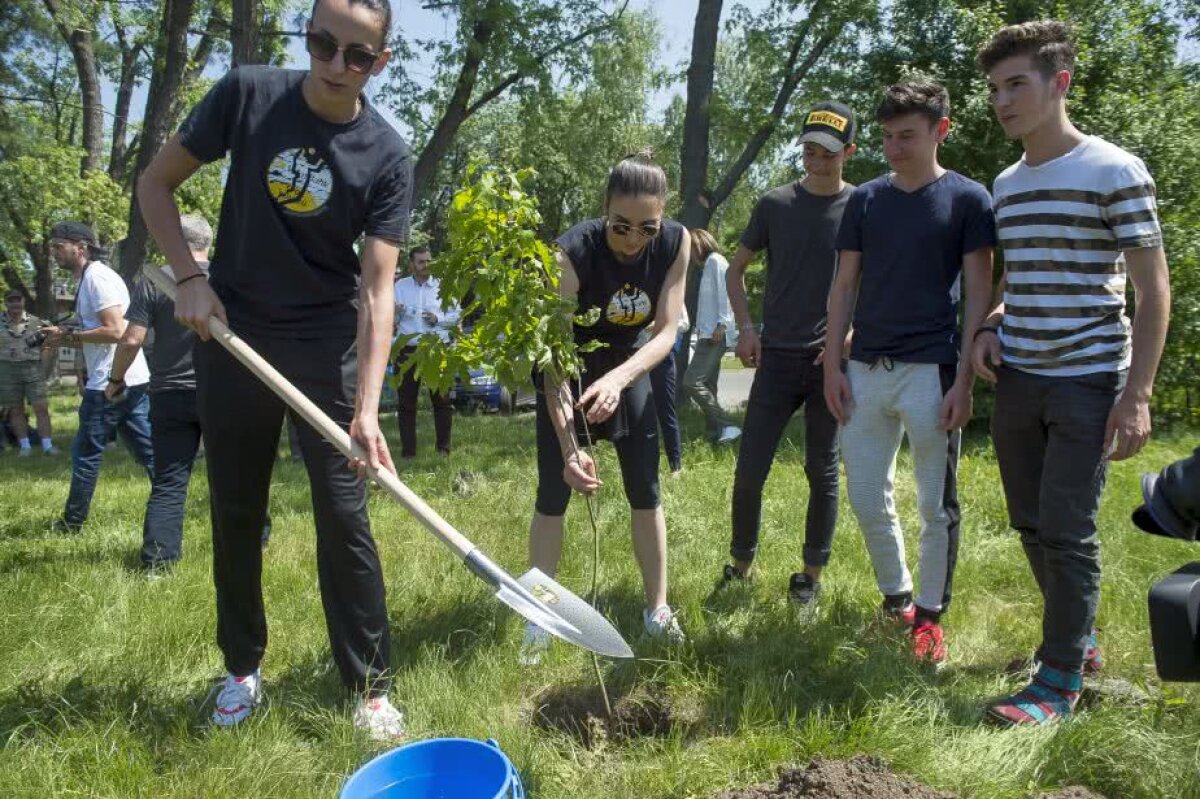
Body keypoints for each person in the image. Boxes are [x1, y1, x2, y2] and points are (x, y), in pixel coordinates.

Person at [136, 0, 410, 739]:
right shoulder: (249, 95)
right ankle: (241, 669)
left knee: (345, 516)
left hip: (326, 349)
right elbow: (155, 185)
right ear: (307, 37)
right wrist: (190, 277)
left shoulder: (386, 153)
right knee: (236, 509)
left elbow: (379, 290)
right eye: (323, 42)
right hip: (233, 336)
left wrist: (368, 407)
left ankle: (371, 687)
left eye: (356, 54)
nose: (334, 63)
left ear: (378, 64)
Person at [973, 21, 1170, 725]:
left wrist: (1137, 395)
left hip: (1090, 379)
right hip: (1020, 376)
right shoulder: (1006, 182)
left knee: (1066, 525)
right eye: (994, 88)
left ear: (1060, 83)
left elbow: (1154, 291)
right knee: (1030, 522)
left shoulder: (1115, 170)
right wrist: (992, 326)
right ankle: (1076, 641)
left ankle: (1057, 682)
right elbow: (1020, 279)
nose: (1001, 100)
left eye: (1015, 84)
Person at [824, 82, 994, 664]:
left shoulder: (968, 199)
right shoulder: (866, 200)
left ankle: (929, 615)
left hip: (933, 371)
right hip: (866, 368)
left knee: (935, 505)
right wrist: (833, 367)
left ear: (940, 131)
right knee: (868, 496)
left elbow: (978, 293)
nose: (895, 149)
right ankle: (896, 598)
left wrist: (965, 380)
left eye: (908, 137)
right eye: (888, 137)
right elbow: (844, 285)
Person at [521, 152, 689, 663]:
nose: (634, 239)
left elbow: (666, 331)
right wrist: (571, 448)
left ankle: (657, 609)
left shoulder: (676, 243)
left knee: (646, 489)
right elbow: (553, 358)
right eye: (621, 226)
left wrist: (620, 378)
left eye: (647, 227)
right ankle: (538, 612)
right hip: (568, 363)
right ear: (604, 211)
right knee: (554, 492)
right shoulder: (571, 252)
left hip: (629, 363)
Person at [721, 102, 858, 605]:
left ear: (849, 152)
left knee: (822, 471)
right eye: (808, 150)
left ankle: (810, 576)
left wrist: (852, 331)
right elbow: (735, 271)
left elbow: (878, 276)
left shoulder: (862, 206)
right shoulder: (775, 204)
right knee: (750, 466)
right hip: (775, 356)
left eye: (826, 152)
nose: (815, 161)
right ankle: (740, 564)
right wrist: (746, 328)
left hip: (829, 364)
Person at [109, 215, 270, 575]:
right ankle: (255, 540)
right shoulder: (229, 280)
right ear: (208, 243)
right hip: (224, 391)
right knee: (235, 471)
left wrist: (114, 379)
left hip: (169, 393)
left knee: (169, 479)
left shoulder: (154, 279)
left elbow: (131, 338)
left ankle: (158, 564)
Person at [42, 222, 154, 533]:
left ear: (81, 246)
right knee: (149, 452)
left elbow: (116, 330)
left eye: (58, 246)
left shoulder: (97, 278)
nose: (54, 253)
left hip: (110, 383)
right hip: (129, 377)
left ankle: (71, 523)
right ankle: (172, 499)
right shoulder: (89, 278)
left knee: (85, 453)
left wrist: (67, 338)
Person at [393, 245, 458, 457]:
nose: (426, 265)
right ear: (411, 264)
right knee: (406, 404)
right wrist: (395, 313)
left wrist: (438, 319)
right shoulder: (399, 287)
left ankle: (443, 450)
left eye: (429, 261)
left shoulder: (443, 287)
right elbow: (390, 320)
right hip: (407, 351)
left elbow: (456, 319)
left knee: (442, 401)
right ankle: (408, 453)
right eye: (421, 261)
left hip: (436, 350)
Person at [680, 228, 739, 445]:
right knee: (709, 385)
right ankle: (716, 433)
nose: (690, 254)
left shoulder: (715, 261)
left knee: (691, 382)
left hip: (714, 335)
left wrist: (722, 325)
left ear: (700, 244)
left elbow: (727, 293)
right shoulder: (708, 266)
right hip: (708, 333)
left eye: (691, 248)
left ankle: (727, 424)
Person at [1, 289, 58, 455]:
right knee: (15, 409)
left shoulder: (36, 322)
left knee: (41, 407)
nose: (15, 304)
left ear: (23, 302)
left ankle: (47, 446)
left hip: (32, 367)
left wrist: (44, 370)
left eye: (18, 300)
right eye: (11, 301)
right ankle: (25, 446)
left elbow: (48, 346)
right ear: (6, 303)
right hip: (7, 369)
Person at [636, 305, 687, 475]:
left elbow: (683, 322)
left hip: (662, 357)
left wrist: (657, 325)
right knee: (640, 413)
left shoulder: (669, 286)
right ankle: (646, 466)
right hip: (636, 357)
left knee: (666, 411)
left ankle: (676, 466)